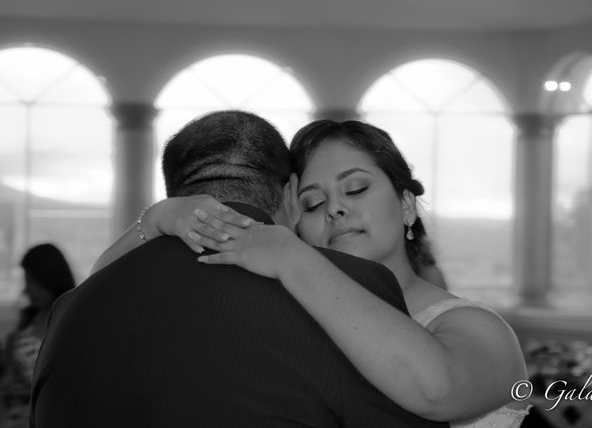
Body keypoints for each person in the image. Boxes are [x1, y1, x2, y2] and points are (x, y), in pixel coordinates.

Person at [96, 119, 530, 428]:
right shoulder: (298, 322)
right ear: (293, 218)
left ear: (405, 204)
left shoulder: (473, 325)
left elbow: (439, 391)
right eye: (312, 203)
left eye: (356, 188)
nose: (336, 208)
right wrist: (155, 220)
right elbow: (91, 299)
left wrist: (291, 257)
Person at [31, 111, 446, 428]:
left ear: (176, 193)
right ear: (288, 194)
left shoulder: (71, 309)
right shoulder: (345, 288)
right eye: (312, 202)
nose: (334, 212)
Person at [0, 244, 75, 428]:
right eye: (27, 281)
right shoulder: (27, 324)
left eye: (32, 281)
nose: (28, 290)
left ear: (49, 278)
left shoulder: (73, 319)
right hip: (17, 417)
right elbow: (4, 391)